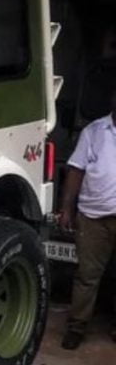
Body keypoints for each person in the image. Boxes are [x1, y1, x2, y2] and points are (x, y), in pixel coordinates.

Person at [58, 87, 116, 349]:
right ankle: (77, 327)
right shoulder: (93, 132)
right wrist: (67, 208)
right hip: (93, 216)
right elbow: (76, 170)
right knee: (87, 275)